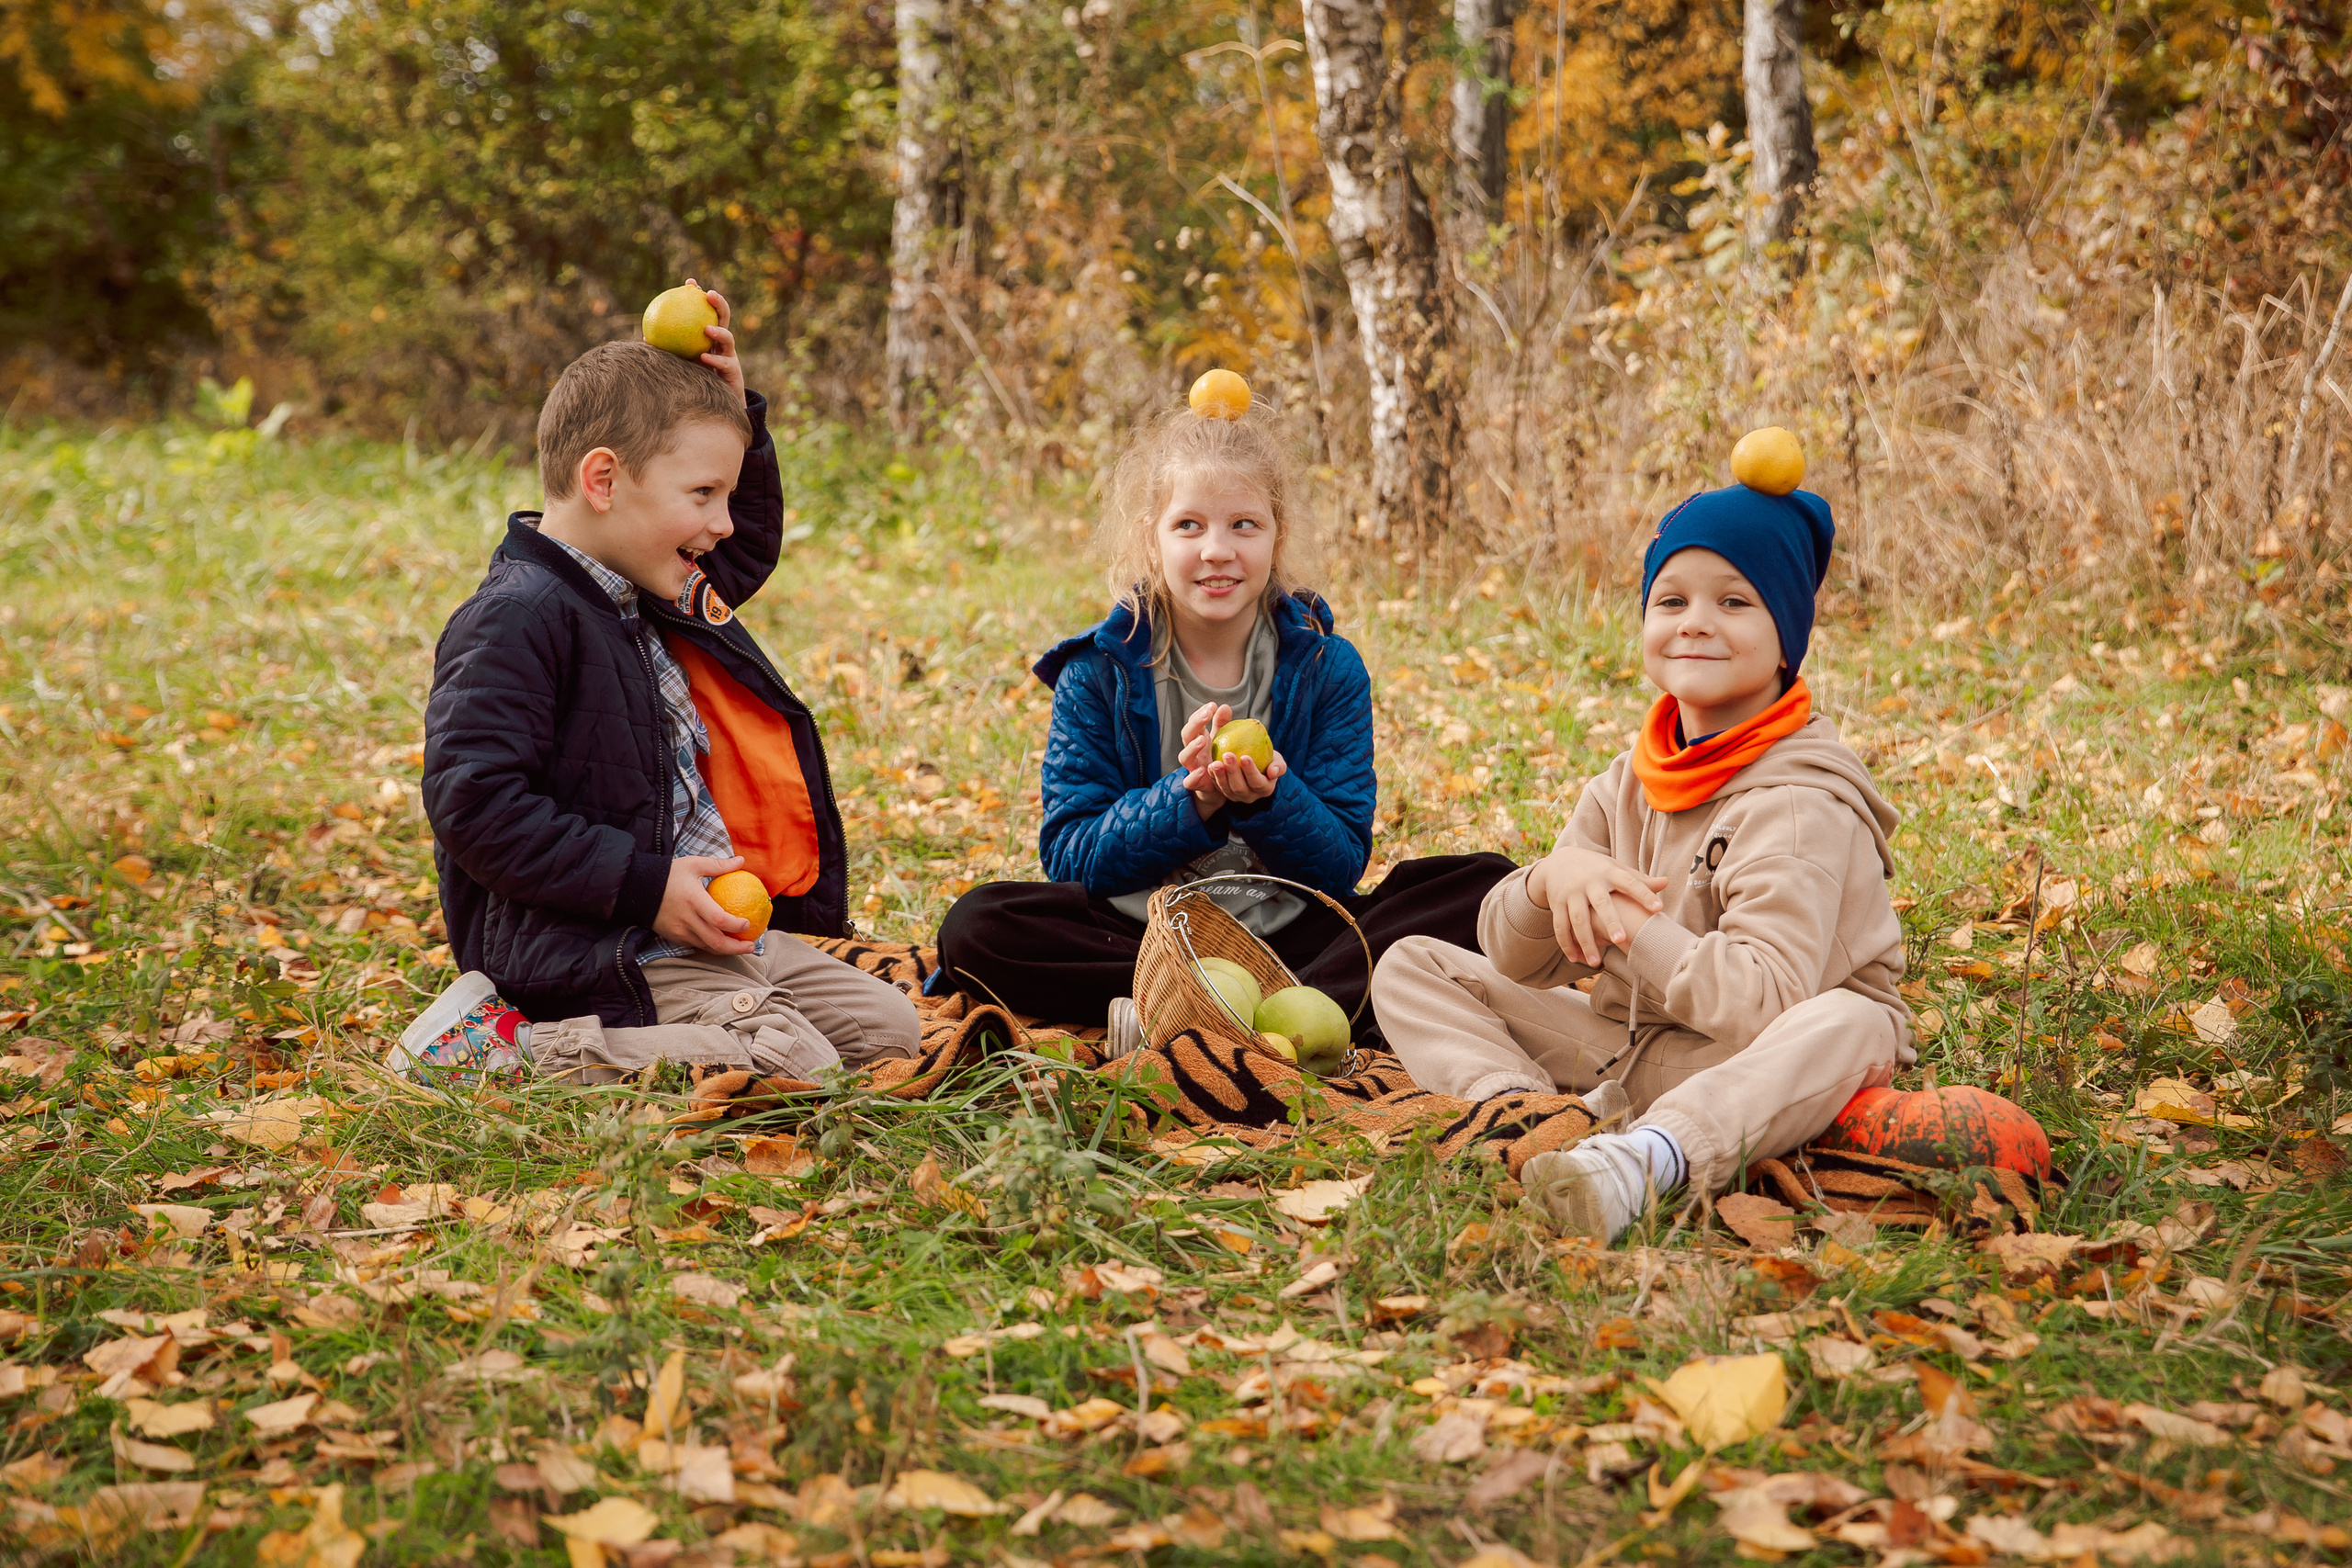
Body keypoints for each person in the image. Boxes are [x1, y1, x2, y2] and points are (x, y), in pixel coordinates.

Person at [1371, 464, 1911, 1243]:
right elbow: (1518, 959)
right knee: (1414, 963)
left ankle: (1649, 1160)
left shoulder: (1797, 803)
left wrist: (1630, 921)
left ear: (1786, 634)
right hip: (1632, 1049)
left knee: (1856, 1024)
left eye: (1734, 601)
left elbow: (1765, 1003)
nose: (1695, 621)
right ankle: (1529, 1117)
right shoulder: (1629, 782)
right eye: (1671, 600)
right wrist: (1551, 882)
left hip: (1767, 1065)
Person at [399, 287, 919, 1086]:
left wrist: (731, 401)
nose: (724, 523)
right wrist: (646, 887)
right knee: (796, 1064)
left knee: (890, 1026)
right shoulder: (517, 616)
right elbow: (475, 802)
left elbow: (737, 555)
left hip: (690, 921)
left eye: (726, 493)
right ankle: (493, 1054)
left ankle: (728, 1019)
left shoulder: (648, 584)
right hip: (596, 942)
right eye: (703, 495)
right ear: (604, 480)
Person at [932, 374, 1513, 1049]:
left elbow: (1341, 862)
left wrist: (1271, 799)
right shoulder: (1099, 672)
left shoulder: (1327, 667)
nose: (1217, 549)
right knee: (978, 925)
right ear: (1152, 539)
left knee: (1483, 886)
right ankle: (1250, 1006)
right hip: (1140, 934)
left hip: (1293, 932)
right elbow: (1071, 856)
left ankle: (1190, 1013)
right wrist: (1191, 803)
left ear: (1276, 535)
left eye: (1244, 524)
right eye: (1188, 525)